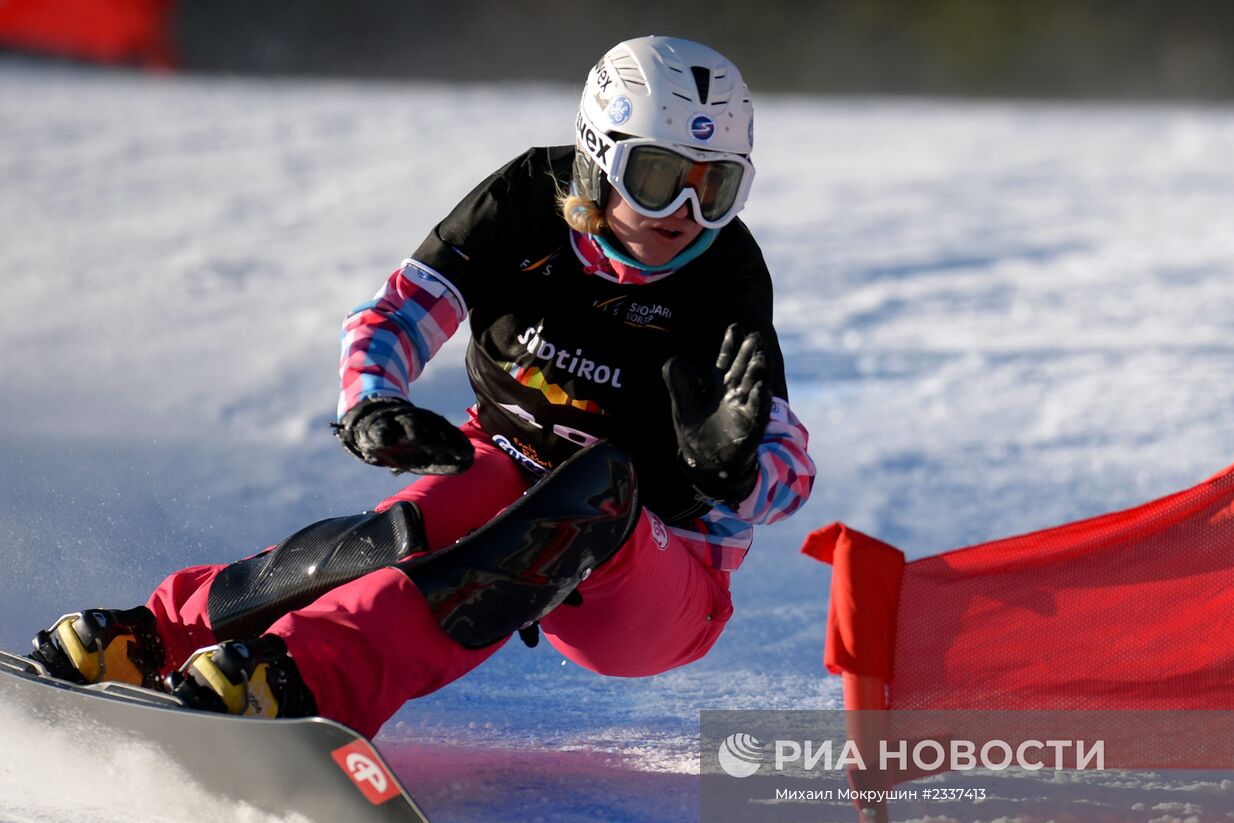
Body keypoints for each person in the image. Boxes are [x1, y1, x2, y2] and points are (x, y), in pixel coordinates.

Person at [26, 36, 816, 738]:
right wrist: (371, 400)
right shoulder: (526, 205)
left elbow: (788, 462)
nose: (682, 213)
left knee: (597, 487)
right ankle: (156, 638)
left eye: (712, 188)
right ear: (596, 156)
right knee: (408, 527)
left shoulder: (724, 278)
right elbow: (403, 311)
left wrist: (735, 472)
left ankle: (300, 677)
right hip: (510, 465)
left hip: (657, 575)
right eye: (656, 177)